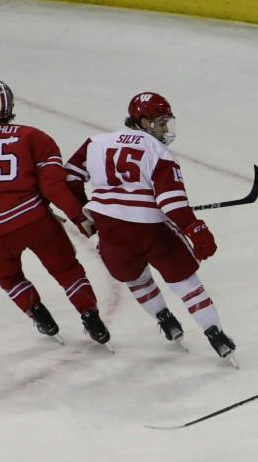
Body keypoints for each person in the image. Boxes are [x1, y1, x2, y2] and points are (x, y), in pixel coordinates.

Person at [0, 80, 109, 346]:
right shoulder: (35, 137)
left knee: (9, 277)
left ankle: (38, 313)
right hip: (33, 220)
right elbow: (52, 186)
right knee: (67, 269)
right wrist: (80, 217)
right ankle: (90, 315)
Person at [65, 92, 234, 360]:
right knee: (186, 283)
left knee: (136, 278)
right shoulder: (158, 151)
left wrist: (84, 214)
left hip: (111, 231)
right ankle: (216, 336)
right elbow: (172, 203)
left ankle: (165, 320)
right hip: (152, 230)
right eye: (160, 123)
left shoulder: (95, 143)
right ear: (143, 122)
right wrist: (195, 230)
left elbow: (69, 177)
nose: (165, 129)